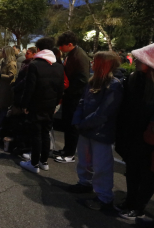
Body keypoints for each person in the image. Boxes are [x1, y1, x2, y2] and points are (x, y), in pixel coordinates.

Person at [67, 51, 123, 211]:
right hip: (87, 129)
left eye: (96, 61)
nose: (92, 63)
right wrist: (78, 120)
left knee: (101, 166)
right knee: (84, 160)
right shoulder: (93, 81)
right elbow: (82, 102)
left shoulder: (114, 84)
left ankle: (104, 197)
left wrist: (83, 123)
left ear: (105, 64)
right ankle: (84, 183)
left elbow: (104, 112)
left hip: (101, 132)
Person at [115, 43, 154, 220]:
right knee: (132, 171)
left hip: (149, 139)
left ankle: (138, 207)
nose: (136, 61)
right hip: (133, 134)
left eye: (140, 59)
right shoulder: (134, 78)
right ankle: (130, 201)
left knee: (147, 174)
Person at [19, 38, 64, 173]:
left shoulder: (35, 65)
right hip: (50, 105)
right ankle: (44, 161)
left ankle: (34, 164)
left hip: (36, 105)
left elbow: (29, 88)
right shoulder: (59, 66)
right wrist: (56, 103)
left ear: (38, 49)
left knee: (36, 134)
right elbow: (60, 89)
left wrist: (25, 104)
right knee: (46, 133)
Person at [54, 31, 90, 163]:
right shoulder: (73, 54)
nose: (60, 48)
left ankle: (69, 154)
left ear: (69, 44)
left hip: (75, 97)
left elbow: (83, 79)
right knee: (67, 124)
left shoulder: (79, 56)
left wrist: (68, 90)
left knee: (72, 125)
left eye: (62, 46)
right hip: (70, 95)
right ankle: (66, 149)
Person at [0, 46, 17, 128]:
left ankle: (2, 124)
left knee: (4, 108)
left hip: (7, 88)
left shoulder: (11, 63)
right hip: (1, 87)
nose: (2, 53)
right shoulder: (4, 61)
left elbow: (11, 76)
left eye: (3, 52)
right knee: (0, 106)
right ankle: (0, 123)